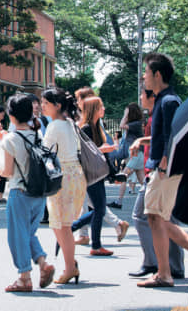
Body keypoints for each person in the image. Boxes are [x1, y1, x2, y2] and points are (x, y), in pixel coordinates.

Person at [137, 53, 188, 288]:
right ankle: (168, 270)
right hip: (163, 167)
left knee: (156, 217)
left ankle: (166, 272)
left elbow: (176, 136)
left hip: (166, 168)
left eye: (146, 72)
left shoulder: (169, 101)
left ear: (157, 75)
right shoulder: (165, 99)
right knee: (156, 217)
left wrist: (165, 161)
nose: (144, 77)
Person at [0, 94, 55, 292]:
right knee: (28, 233)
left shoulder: (11, 139)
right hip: (39, 193)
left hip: (20, 192)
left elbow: (8, 171)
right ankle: (43, 263)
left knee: (17, 236)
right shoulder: (38, 135)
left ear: (11, 116)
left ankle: (24, 277)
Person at [42, 88, 87, 284]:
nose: (42, 106)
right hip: (75, 175)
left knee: (62, 225)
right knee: (60, 225)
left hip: (63, 177)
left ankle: (70, 268)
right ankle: (70, 263)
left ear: (57, 105)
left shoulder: (55, 126)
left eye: (45, 103)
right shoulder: (70, 123)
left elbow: (44, 152)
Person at [70, 96, 116, 256]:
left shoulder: (96, 127)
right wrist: (103, 149)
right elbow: (86, 153)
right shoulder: (87, 128)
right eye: (100, 106)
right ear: (94, 110)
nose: (103, 109)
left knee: (100, 209)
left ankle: (93, 243)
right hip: (90, 174)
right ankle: (81, 235)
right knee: (100, 209)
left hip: (97, 173)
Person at [110, 102, 145, 209]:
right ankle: (151, 202)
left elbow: (121, 125)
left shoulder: (136, 124)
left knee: (123, 177)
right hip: (137, 154)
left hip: (136, 154)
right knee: (143, 181)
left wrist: (125, 114)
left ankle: (119, 202)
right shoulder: (137, 123)